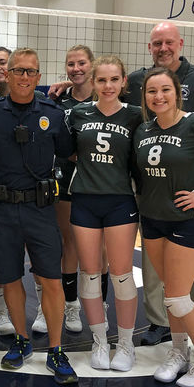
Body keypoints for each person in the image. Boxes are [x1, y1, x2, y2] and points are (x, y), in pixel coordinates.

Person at [122, 22, 194, 369]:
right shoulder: (135, 82)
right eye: (157, 43)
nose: (163, 48)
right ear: (150, 47)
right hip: (153, 199)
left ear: (180, 44)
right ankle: (164, 328)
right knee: (158, 276)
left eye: (168, 42)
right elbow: (108, 92)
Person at [0, 48, 78, 385]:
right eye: (18, 70)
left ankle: (56, 350)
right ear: (8, 73)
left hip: (40, 208)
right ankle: (21, 340)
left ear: (38, 76)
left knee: (50, 279)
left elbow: (68, 151)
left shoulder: (52, 112)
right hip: (2, 210)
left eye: (30, 72)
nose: (23, 77)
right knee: (9, 278)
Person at [65, 55, 142, 371]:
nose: (108, 86)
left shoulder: (136, 116)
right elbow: (68, 150)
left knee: (122, 275)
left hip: (121, 202)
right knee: (90, 273)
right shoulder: (78, 114)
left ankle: (125, 344)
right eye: (102, 80)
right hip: (84, 200)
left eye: (114, 80)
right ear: (93, 83)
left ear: (124, 82)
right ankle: (99, 341)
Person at [36, 44, 97, 335]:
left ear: (92, 65)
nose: (76, 69)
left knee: (85, 247)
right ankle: (49, 304)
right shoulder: (57, 100)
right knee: (59, 240)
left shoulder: (105, 97)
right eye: (71, 64)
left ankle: (72, 303)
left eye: (81, 63)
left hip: (97, 181)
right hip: (63, 177)